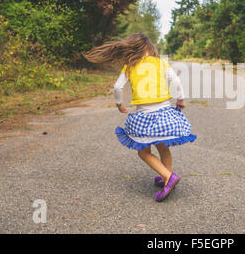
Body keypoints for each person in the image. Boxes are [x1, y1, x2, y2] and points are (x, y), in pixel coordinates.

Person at [84, 33, 196, 202]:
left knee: (143, 152)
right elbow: (177, 83)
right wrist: (180, 99)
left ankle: (168, 176)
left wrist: (119, 104)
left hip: (145, 116)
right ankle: (167, 177)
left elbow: (117, 87)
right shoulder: (160, 63)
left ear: (132, 49)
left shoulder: (130, 65)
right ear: (150, 49)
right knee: (163, 146)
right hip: (165, 114)